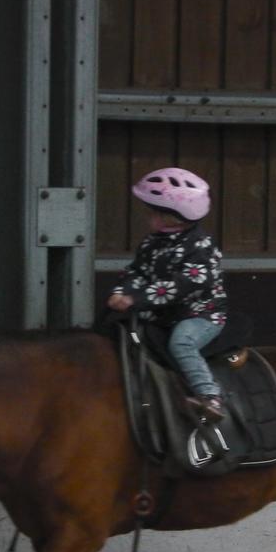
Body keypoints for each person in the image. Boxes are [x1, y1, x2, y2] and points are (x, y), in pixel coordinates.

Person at [108, 167, 229, 420]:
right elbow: (138, 270)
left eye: (155, 212)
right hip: (162, 312)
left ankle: (210, 396)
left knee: (181, 342)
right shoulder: (152, 242)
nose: (148, 217)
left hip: (199, 315)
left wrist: (137, 299)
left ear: (175, 216)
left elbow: (184, 284)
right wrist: (123, 290)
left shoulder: (200, 246)